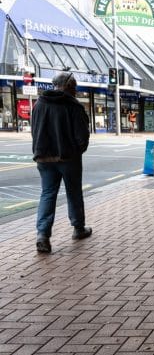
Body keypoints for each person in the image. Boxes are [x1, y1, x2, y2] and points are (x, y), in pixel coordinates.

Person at [31, 72, 92, 253]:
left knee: (48, 193)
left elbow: (34, 131)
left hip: (43, 157)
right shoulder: (73, 106)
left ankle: (43, 235)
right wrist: (76, 151)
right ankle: (78, 228)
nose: (76, 90)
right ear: (69, 86)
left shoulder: (39, 104)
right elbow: (82, 137)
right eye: (74, 86)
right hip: (68, 158)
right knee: (73, 192)